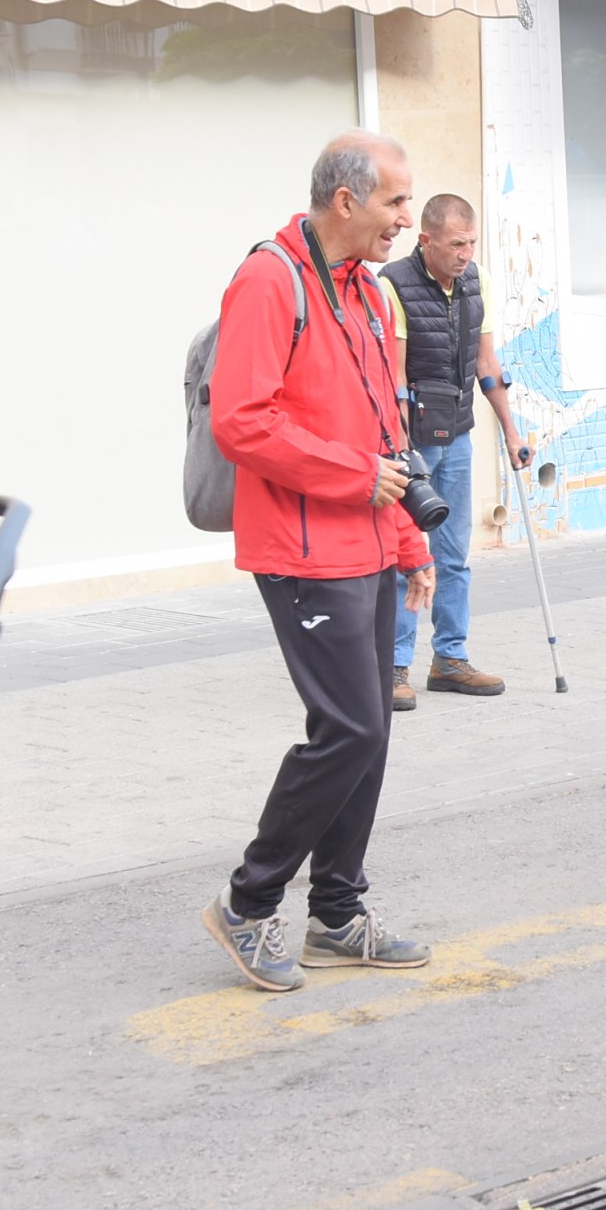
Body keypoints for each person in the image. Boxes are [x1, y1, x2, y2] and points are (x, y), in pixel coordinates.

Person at [204, 130, 436, 994]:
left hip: (370, 541)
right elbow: (242, 421)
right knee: (353, 728)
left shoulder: (367, 294)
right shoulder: (269, 280)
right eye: (395, 203)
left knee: (368, 737)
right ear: (346, 201)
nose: (405, 221)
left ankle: (337, 914)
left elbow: (385, 429)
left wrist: (410, 538)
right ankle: (247, 903)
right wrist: (357, 480)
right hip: (303, 548)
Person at [381, 193, 531, 710]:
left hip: (460, 434)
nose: (464, 254)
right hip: (414, 439)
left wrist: (512, 431)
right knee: (409, 555)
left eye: (470, 243)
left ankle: (450, 659)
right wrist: (399, 449)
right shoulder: (393, 285)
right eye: (454, 245)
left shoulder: (477, 280)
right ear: (425, 241)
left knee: (453, 555)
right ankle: (395, 668)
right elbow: (393, 375)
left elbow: (486, 360)